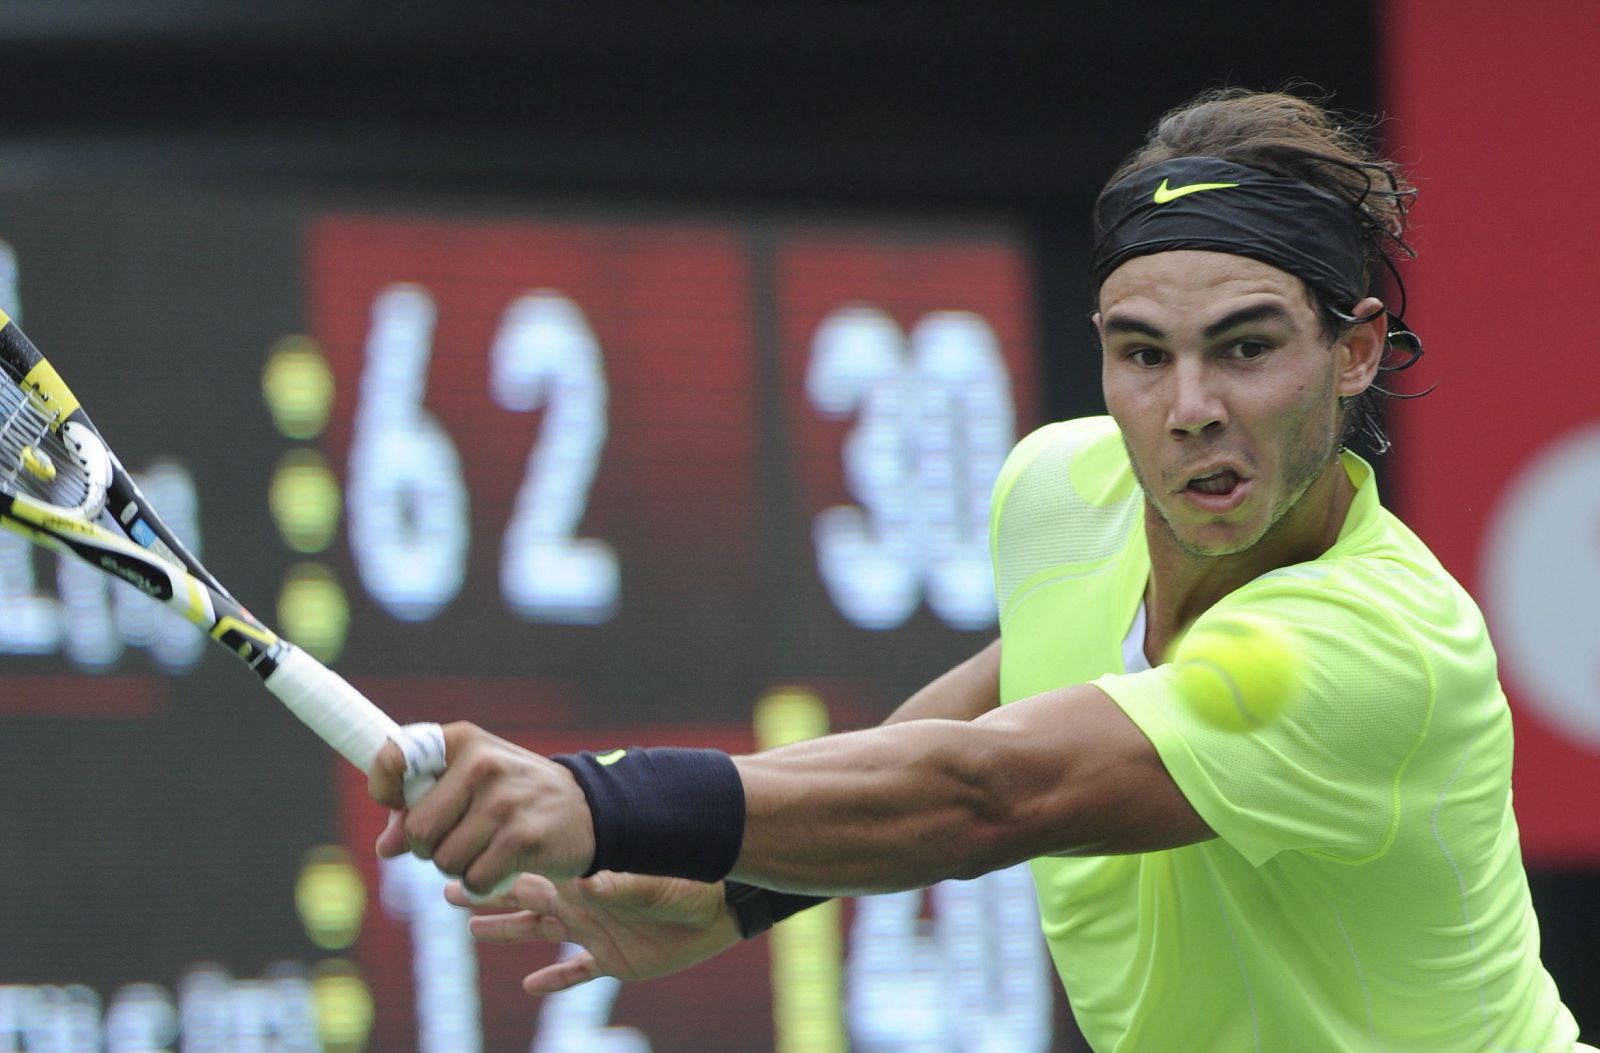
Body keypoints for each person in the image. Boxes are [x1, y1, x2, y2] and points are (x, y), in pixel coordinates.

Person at [369, 88, 1591, 1051]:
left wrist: (607, 800)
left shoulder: (1375, 648)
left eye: (1247, 347)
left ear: (1355, 350)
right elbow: (1017, 681)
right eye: (1142, 355)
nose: (1189, 409)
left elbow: (988, 791)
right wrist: (739, 891)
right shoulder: (1063, 488)